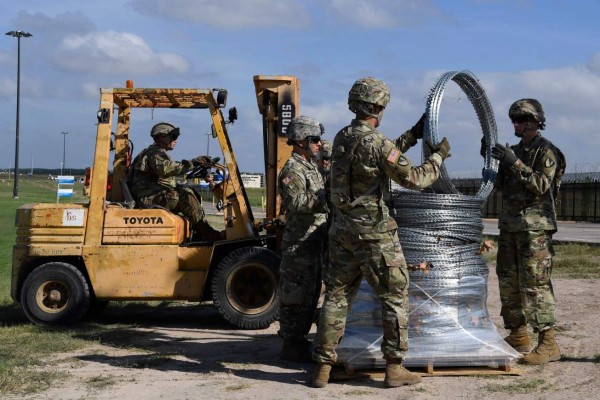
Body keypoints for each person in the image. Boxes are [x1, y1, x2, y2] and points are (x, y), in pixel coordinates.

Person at [312, 77, 451, 388]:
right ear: (376, 107)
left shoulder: (341, 138)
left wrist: (413, 136)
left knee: (335, 297)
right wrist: (438, 157)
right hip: (374, 235)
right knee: (394, 297)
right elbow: (414, 178)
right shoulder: (377, 143)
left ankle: (322, 368)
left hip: (341, 233)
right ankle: (394, 368)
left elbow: (376, 157)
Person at [491, 99, 565, 365]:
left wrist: (515, 163)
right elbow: (500, 187)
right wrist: (495, 161)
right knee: (508, 282)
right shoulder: (516, 151)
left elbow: (542, 185)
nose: (516, 124)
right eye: (514, 120)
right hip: (511, 226)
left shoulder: (546, 152)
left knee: (535, 286)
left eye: (521, 119)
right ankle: (519, 334)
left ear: (535, 121)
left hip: (535, 230)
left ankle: (548, 343)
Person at [277, 116, 329, 363]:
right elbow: (296, 202)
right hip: (299, 244)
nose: (319, 144)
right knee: (295, 297)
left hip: (313, 242)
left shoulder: (311, 167)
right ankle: (291, 343)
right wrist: (326, 198)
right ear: (301, 141)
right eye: (315, 140)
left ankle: (299, 340)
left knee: (310, 294)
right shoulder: (292, 169)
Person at [128, 121, 222, 241]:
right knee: (185, 195)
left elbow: (167, 175)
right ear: (161, 136)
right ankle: (206, 233)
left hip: (151, 194)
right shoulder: (155, 153)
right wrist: (193, 163)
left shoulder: (157, 153)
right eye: (173, 136)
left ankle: (196, 231)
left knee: (190, 191)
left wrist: (196, 167)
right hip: (147, 197)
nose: (175, 140)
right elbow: (167, 169)